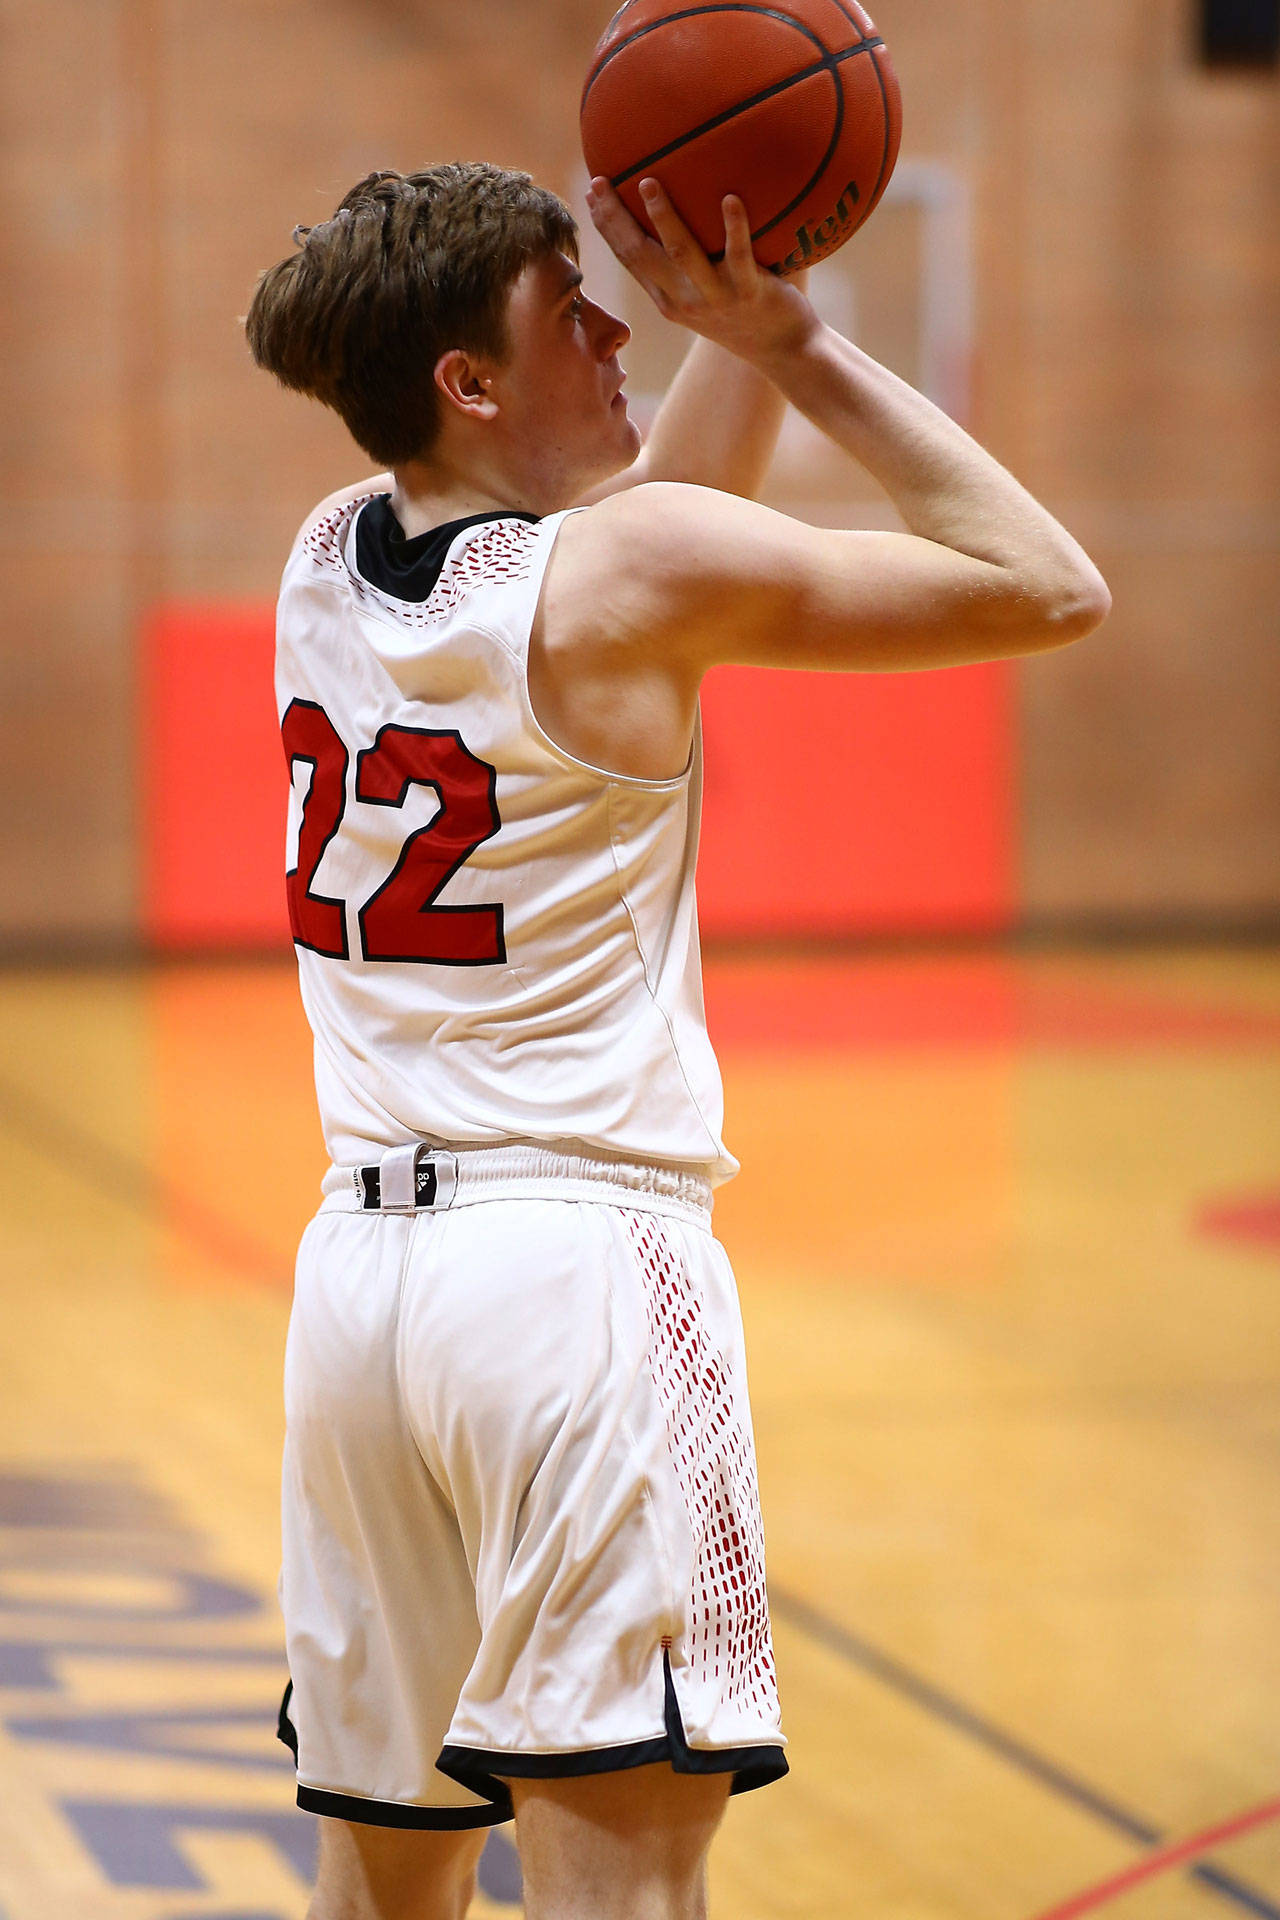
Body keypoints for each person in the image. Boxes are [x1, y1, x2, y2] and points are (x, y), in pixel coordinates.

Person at [245, 162, 1108, 1920]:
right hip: (576, 1284)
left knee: (377, 1893)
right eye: (571, 313)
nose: (615, 328)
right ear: (469, 382)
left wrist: (730, 330)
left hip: (357, 1304)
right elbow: (1046, 583)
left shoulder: (327, 556)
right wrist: (795, 342)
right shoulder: (624, 576)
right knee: (623, 1890)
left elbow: (652, 533)